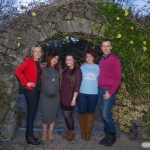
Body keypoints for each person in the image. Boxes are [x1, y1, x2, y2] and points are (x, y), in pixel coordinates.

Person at [15, 45, 43, 145]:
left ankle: (28, 134)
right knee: (31, 114)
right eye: (35, 51)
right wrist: (26, 83)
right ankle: (30, 137)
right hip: (31, 91)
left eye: (39, 51)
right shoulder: (28, 61)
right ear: (32, 52)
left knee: (33, 113)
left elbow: (37, 75)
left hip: (37, 90)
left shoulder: (38, 63)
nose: (37, 53)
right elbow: (17, 71)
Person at [98, 39, 122, 146]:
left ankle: (113, 134)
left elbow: (118, 78)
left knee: (105, 114)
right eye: (104, 46)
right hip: (100, 89)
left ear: (111, 47)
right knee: (103, 115)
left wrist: (111, 92)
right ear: (101, 48)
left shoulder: (115, 59)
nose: (106, 48)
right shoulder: (101, 60)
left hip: (108, 90)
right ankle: (107, 135)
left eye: (108, 46)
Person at [78, 48, 100, 141]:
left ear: (94, 57)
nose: (88, 58)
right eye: (87, 56)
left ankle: (88, 133)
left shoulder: (98, 67)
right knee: (81, 112)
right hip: (82, 93)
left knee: (90, 113)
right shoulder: (82, 67)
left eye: (90, 56)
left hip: (93, 94)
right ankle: (83, 131)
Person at [60, 53, 82, 141]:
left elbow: (77, 86)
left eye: (70, 59)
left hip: (70, 97)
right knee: (65, 115)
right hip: (63, 96)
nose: (68, 61)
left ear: (74, 60)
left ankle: (71, 133)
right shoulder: (65, 70)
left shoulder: (77, 71)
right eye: (66, 60)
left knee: (67, 114)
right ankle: (68, 131)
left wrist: (74, 99)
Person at [40, 53, 60, 142]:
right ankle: (44, 132)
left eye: (57, 59)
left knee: (53, 113)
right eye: (54, 58)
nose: (55, 60)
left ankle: (50, 131)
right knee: (45, 113)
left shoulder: (59, 70)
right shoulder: (43, 68)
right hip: (44, 96)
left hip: (56, 97)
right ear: (50, 58)